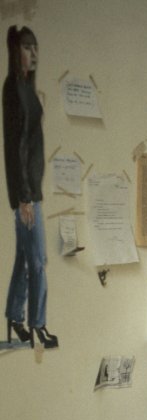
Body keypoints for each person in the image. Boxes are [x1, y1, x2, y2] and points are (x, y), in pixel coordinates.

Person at [3, 26, 58, 348]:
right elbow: (15, 147)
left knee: (25, 260)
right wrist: (25, 197)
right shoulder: (13, 89)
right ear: (16, 51)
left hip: (30, 192)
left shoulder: (25, 87)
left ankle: (13, 316)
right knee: (38, 261)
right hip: (26, 195)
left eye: (35, 47)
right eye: (27, 47)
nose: (33, 54)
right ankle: (38, 324)